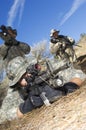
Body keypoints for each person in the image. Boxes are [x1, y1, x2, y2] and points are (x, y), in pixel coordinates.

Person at [6, 56, 86, 118]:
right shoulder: (16, 92)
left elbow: (78, 75)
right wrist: (30, 104)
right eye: (22, 77)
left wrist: (68, 87)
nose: (28, 76)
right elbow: (12, 114)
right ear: (17, 82)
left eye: (27, 72)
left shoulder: (48, 68)